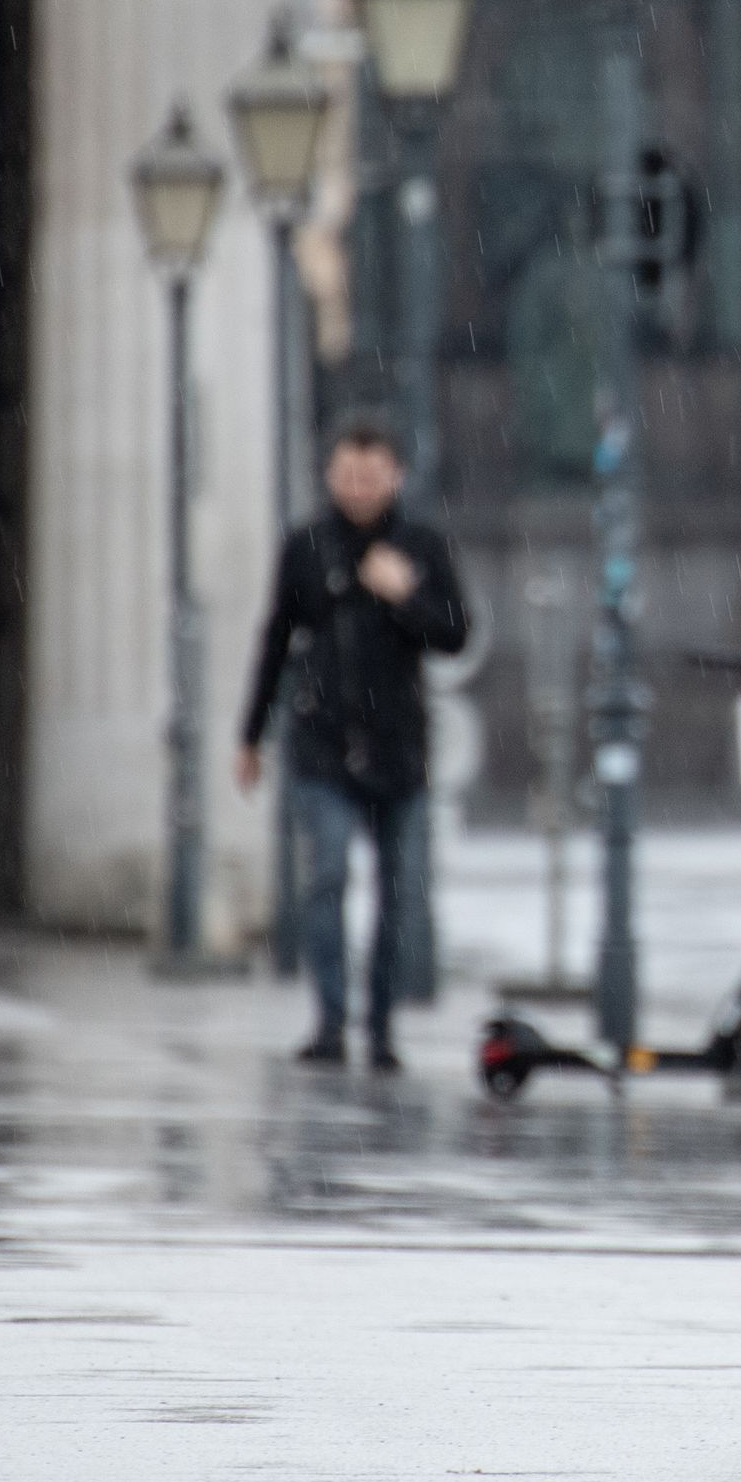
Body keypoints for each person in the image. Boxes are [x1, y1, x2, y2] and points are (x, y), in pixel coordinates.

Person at [237, 415, 469, 1070]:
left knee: (401, 890)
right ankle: (331, 1020)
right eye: (347, 475)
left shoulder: (421, 544)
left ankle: (382, 1026)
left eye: (371, 475)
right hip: (323, 741)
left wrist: (407, 595)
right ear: (330, 476)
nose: (359, 487)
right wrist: (250, 733)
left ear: (395, 476)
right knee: (329, 873)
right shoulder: (307, 544)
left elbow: (455, 634)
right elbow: (276, 639)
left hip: (399, 745)